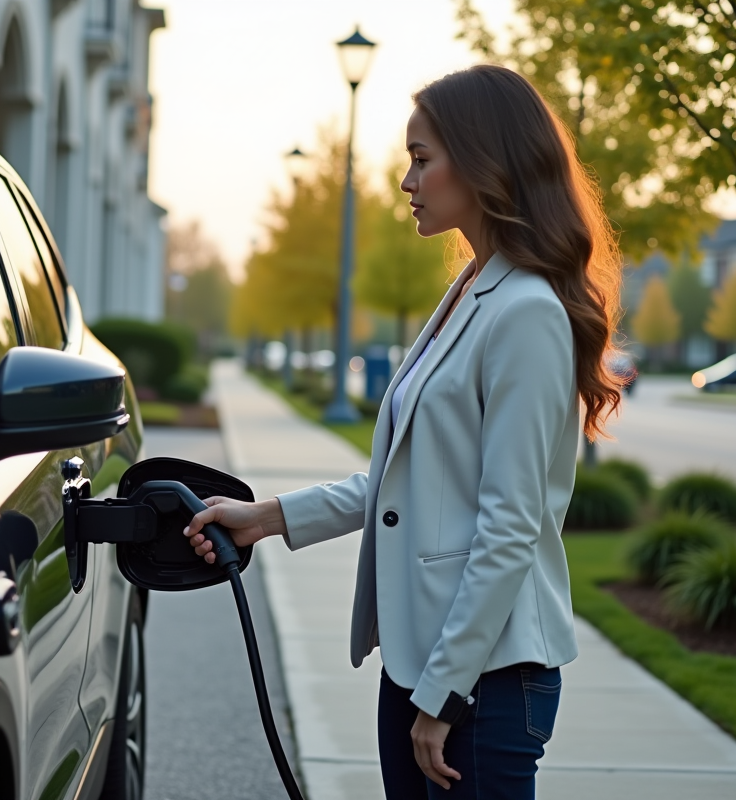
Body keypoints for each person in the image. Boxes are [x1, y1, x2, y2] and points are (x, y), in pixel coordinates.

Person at [183, 64, 623, 800]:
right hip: (423, 664)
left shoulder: (527, 314)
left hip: (484, 679)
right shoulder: (468, 291)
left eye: (422, 159)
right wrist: (265, 518)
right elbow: (403, 474)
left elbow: (510, 525)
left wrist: (445, 695)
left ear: (484, 162)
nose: (406, 179)